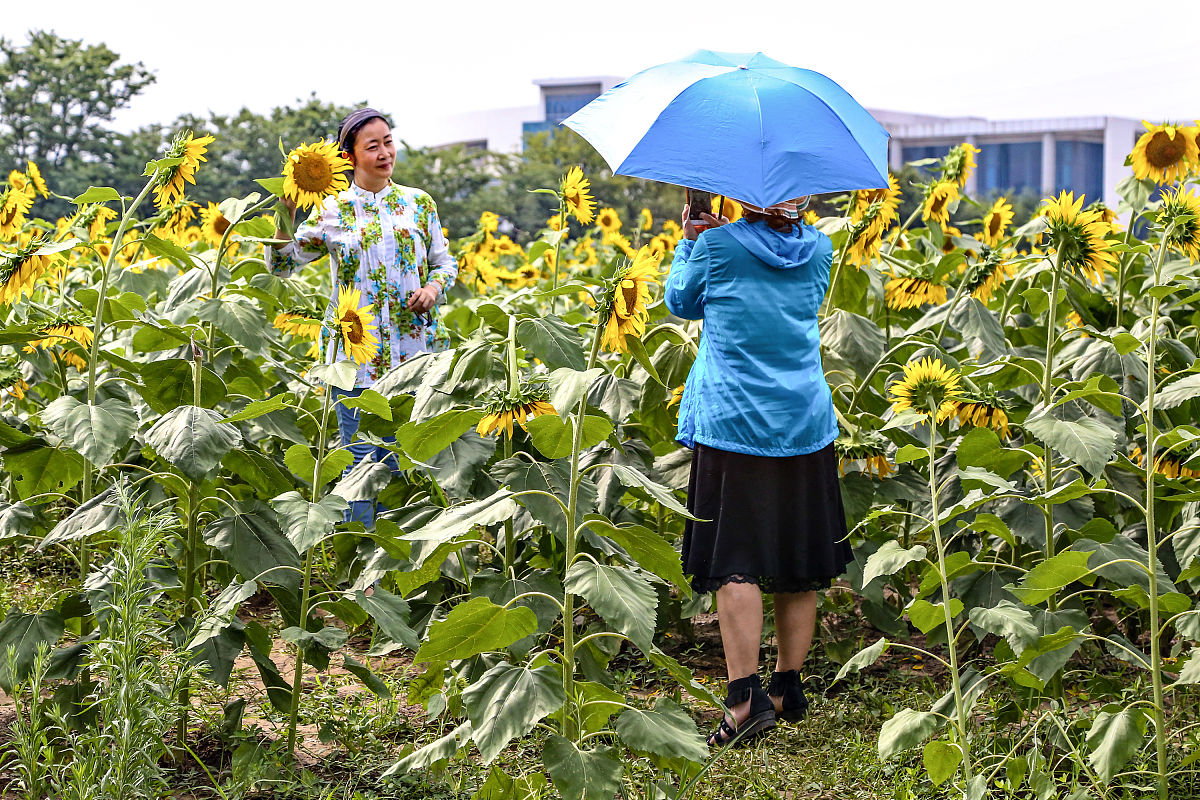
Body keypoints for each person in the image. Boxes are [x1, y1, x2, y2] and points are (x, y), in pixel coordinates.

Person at [664, 197, 851, 747]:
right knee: (799, 558)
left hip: (735, 421)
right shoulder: (821, 247)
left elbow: (681, 301)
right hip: (804, 421)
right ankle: (786, 689)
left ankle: (743, 702)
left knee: (735, 561)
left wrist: (693, 237)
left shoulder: (719, 246)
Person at [271, 108, 457, 526]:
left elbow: (445, 264)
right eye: (372, 146)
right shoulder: (332, 210)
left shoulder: (418, 204)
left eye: (388, 142)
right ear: (350, 156)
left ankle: (400, 552)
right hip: (355, 354)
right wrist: (286, 211)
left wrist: (431, 289)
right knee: (358, 458)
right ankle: (362, 561)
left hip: (413, 351)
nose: (385, 153)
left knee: (404, 456)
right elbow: (283, 265)